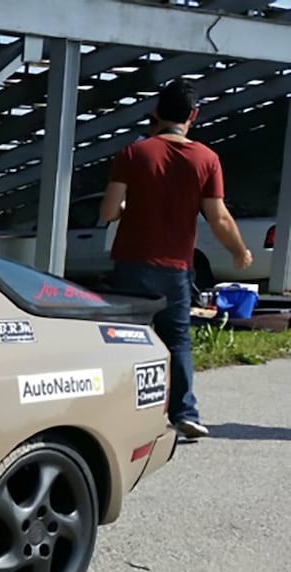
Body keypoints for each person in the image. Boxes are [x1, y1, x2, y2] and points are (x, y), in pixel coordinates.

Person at [99, 77, 253, 440]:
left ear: (156, 111)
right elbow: (218, 217)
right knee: (178, 340)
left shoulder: (133, 153)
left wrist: (123, 207)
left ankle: (121, 414)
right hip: (177, 268)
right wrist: (239, 251)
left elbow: (108, 211)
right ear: (193, 115)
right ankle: (184, 412)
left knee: (128, 337)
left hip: (132, 263)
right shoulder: (207, 159)